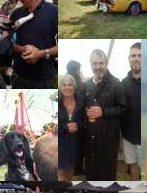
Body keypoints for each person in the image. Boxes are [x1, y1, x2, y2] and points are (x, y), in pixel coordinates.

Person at [7, 0, 58, 89]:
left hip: (44, 80)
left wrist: (41, 53)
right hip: (19, 77)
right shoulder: (15, 14)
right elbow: (7, 41)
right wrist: (22, 49)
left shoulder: (54, 11)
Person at [81, 49, 125, 181]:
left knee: (106, 173)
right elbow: (83, 108)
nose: (98, 67)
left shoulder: (116, 84)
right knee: (91, 174)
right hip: (90, 138)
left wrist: (103, 111)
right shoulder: (86, 85)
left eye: (101, 63)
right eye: (94, 63)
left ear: (106, 64)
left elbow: (123, 109)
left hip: (108, 139)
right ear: (90, 64)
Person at [123, 42, 142, 179]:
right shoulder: (122, 84)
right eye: (133, 55)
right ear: (128, 59)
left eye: (140, 55)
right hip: (128, 135)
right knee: (133, 165)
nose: (136, 58)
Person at [57, 74, 82, 180]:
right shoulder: (56, 103)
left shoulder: (81, 102)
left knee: (70, 172)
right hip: (60, 145)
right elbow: (50, 125)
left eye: (70, 85)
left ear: (74, 86)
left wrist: (78, 125)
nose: (67, 88)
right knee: (60, 173)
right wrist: (64, 126)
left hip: (75, 144)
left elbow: (85, 120)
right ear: (60, 88)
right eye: (64, 85)